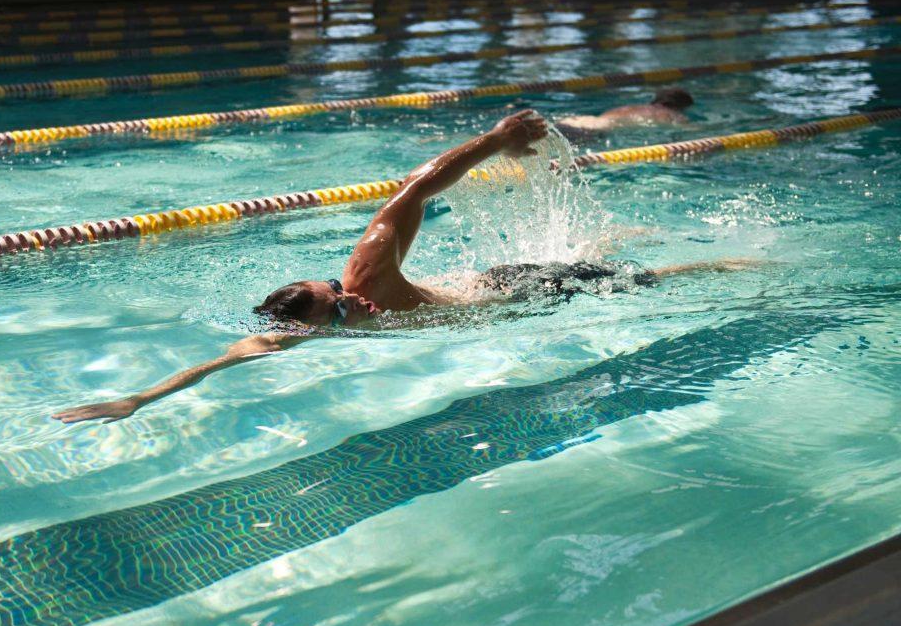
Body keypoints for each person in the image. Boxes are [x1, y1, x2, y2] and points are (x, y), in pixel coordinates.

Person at [53, 109, 741, 425]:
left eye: (342, 297)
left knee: (649, 281)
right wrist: (140, 399)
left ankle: (729, 264)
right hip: (509, 303)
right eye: (344, 315)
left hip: (521, 288)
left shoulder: (368, 277)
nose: (359, 307)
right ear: (316, 330)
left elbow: (412, 192)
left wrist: (494, 141)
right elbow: (221, 361)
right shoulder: (298, 331)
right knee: (603, 260)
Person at [557, 87, 694, 138]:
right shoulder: (670, 114)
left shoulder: (635, 107)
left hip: (574, 120)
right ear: (681, 106)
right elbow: (691, 130)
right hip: (590, 131)